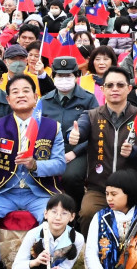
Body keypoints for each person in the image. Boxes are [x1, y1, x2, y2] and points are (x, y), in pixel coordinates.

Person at [0, 74, 67, 269]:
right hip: (4, 190)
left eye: (26, 91)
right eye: (15, 91)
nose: (20, 95)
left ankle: (47, 262)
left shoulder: (53, 127)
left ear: (35, 96)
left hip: (39, 191)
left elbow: (60, 164)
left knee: (55, 216)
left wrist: (35, 165)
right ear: (8, 99)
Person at [73, 66, 137, 233]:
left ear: (129, 88)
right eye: (109, 85)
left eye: (120, 85)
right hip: (100, 188)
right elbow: (79, 129)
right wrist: (74, 135)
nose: (114, 89)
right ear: (102, 89)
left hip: (133, 187)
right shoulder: (91, 115)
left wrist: (134, 152)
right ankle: (93, 254)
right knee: (88, 213)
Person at [41, 56, 98, 206]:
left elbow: (97, 132)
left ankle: (76, 212)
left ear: (76, 76)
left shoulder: (88, 99)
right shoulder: (44, 101)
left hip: (79, 151)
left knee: (71, 177)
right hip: (50, 150)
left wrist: (75, 152)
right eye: (60, 75)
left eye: (68, 75)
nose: (64, 79)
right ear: (53, 77)